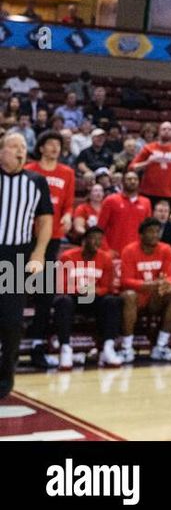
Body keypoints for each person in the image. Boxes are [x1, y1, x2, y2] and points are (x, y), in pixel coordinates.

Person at [0, 132, 53, 399]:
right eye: (13, 146)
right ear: (1, 151)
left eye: (23, 147)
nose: (20, 151)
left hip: (16, 256)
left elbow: (45, 220)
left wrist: (39, 254)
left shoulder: (36, 182)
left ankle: (5, 377)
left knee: (11, 321)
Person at [23, 130, 75, 369]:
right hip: (24, 237)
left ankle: (36, 346)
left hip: (52, 238)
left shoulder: (67, 173)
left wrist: (67, 215)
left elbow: (68, 204)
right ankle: (8, 346)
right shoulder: (29, 169)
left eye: (58, 145)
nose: (55, 148)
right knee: (14, 290)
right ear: (41, 147)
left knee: (44, 295)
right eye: (51, 144)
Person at [55, 224, 124, 369]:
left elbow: (107, 287)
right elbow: (61, 285)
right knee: (62, 301)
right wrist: (79, 289)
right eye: (94, 239)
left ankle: (108, 347)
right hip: (73, 297)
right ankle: (65, 348)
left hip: (94, 297)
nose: (97, 242)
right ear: (84, 241)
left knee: (112, 301)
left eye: (100, 239)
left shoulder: (105, 259)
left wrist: (93, 291)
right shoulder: (67, 257)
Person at [119, 218, 171, 363]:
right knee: (129, 296)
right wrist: (148, 285)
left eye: (157, 232)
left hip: (155, 296)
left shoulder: (166, 249)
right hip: (137, 295)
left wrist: (165, 284)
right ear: (141, 235)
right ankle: (126, 348)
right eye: (151, 232)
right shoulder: (129, 250)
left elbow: (169, 277)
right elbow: (125, 281)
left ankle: (161, 346)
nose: (155, 235)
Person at [129, 121, 171, 209]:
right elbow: (132, 168)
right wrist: (147, 163)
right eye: (164, 129)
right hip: (147, 192)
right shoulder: (148, 148)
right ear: (159, 132)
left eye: (169, 129)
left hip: (167, 193)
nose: (167, 131)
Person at [98, 170, 153, 254]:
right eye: (129, 179)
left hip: (137, 253)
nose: (132, 181)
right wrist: (106, 249)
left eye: (135, 179)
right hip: (114, 252)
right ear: (123, 182)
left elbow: (148, 230)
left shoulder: (146, 202)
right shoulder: (110, 200)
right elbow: (100, 228)